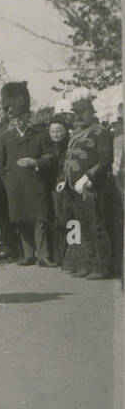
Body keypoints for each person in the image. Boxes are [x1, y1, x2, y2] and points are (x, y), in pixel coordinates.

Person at [0, 81, 55, 267]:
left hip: (35, 182)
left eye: (22, 116)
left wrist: (36, 163)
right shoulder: (4, 138)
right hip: (15, 184)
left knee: (39, 219)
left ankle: (43, 255)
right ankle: (28, 255)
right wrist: (8, 179)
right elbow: (0, 164)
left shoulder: (40, 135)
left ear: (28, 116)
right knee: (21, 219)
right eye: (15, 117)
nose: (18, 120)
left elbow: (50, 157)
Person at [61, 96, 114, 280]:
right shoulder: (76, 133)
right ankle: (88, 264)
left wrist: (88, 177)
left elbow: (105, 160)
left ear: (92, 112)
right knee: (83, 227)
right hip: (73, 188)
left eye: (83, 112)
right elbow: (69, 160)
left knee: (96, 226)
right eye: (76, 113)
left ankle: (101, 267)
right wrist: (64, 179)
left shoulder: (101, 133)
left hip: (92, 187)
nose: (79, 116)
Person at [46, 108, 71, 265]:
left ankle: (70, 255)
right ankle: (58, 256)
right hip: (51, 187)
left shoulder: (69, 146)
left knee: (67, 219)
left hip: (66, 186)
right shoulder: (48, 147)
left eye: (59, 131)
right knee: (55, 221)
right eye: (53, 131)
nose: (56, 134)